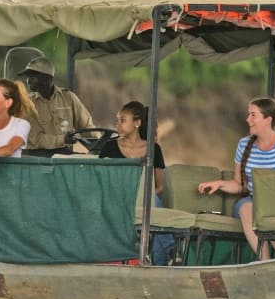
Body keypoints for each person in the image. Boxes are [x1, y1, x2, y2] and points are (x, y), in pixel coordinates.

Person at [197, 97, 275, 259]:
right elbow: (238, 184)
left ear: (268, 120)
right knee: (247, 208)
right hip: (252, 202)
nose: (248, 119)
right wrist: (219, 183)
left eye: (253, 115)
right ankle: (264, 262)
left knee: (267, 215)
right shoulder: (243, 144)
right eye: (248, 114)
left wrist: (274, 201)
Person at [99, 101, 174, 264]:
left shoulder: (154, 149)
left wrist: (142, 194)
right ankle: (170, 255)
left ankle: (163, 261)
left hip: (145, 199)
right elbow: (101, 181)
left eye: (123, 120)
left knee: (153, 202)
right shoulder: (109, 147)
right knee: (155, 208)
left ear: (137, 123)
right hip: (117, 199)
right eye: (117, 120)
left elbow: (159, 186)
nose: (117, 124)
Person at [19, 55, 96, 156]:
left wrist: (97, 146)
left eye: (32, 76)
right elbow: (34, 139)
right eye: (27, 77)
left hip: (63, 153)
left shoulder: (68, 97)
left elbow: (87, 127)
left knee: (84, 162)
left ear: (47, 77)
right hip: (37, 157)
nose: (28, 81)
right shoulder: (27, 104)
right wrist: (63, 139)